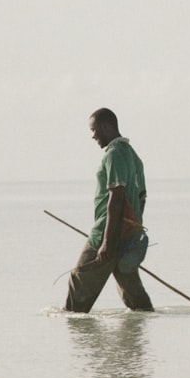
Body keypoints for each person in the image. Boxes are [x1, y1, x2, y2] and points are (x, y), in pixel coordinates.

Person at [65, 108, 154, 313]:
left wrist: (107, 241)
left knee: (79, 279)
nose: (93, 136)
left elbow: (116, 197)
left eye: (94, 130)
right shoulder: (133, 156)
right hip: (127, 232)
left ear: (106, 126)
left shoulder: (115, 154)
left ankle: (72, 335)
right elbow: (141, 199)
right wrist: (133, 229)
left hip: (107, 231)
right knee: (133, 294)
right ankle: (143, 332)